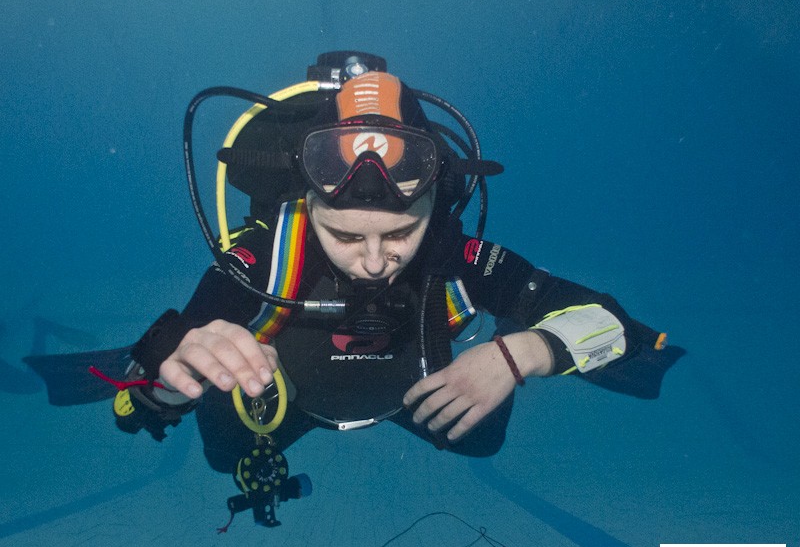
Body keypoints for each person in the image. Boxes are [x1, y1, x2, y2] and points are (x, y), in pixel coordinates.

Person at [111, 54, 682, 481]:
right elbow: (133, 403)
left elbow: (614, 325)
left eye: (403, 232)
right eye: (344, 235)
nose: (377, 260)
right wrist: (171, 380)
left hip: (415, 398)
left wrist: (522, 353)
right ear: (308, 206)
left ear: (432, 206)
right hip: (284, 405)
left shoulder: (454, 257)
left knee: (481, 439)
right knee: (225, 451)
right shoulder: (266, 257)